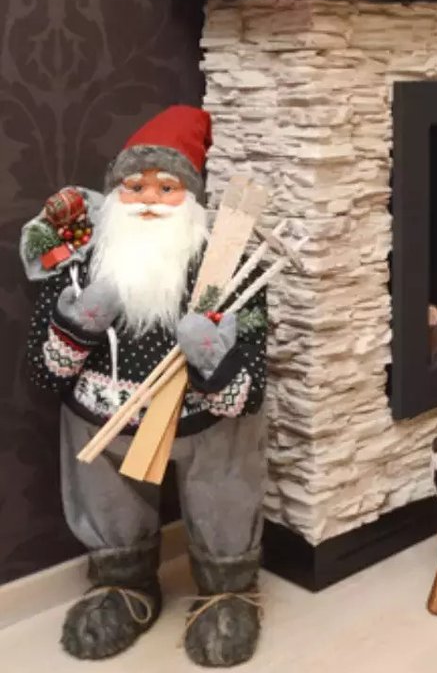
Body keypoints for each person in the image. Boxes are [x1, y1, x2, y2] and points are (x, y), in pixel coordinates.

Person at [21, 106, 266, 666]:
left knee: (227, 481)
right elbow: (44, 372)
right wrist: (78, 325)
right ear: (114, 194)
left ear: (191, 197)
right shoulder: (77, 265)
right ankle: (122, 584)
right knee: (104, 489)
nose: (149, 198)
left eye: (167, 187)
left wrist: (212, 359)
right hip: (101, 420)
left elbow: (248, 392)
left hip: (207, 421)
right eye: (134, 186)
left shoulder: (230, 268)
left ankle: (227, 590)